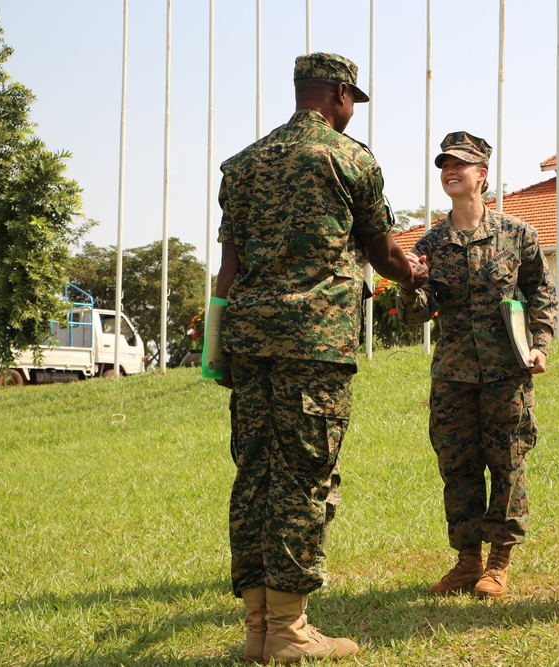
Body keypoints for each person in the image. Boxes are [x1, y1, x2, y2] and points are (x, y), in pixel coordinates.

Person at [214, 52, 428, 664]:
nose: (350, 112)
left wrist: (217, 347)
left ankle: (258, 628)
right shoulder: (350, 159)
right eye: (350, 101)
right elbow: (382, 252)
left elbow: (227, 267)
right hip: (314, 345)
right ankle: (288, 630)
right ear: (337, 94)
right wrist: (411, 270)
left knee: (254, 474)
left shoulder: (243, 163)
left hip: (250, 342)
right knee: (305, 479)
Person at [397, 131, 557, 600]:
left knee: (508, 464)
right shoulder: (431, 244)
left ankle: (499, 563)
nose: (450, 170)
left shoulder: (518, 234)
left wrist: (541, 345)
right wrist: (410, 282)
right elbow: (418, 315)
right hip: (453, 377)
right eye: (445, 163)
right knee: (458, 468)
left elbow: (542, 294)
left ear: (481, 176)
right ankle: (467, 561)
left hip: (507, 373)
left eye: (460, 164)